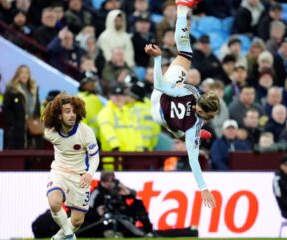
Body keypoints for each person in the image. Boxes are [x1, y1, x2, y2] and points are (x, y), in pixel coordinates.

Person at [144, 0, 220, 208]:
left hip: (163, 103)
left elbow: (160, 85)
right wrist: (204, 188)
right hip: (161, 108)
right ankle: (182, 6)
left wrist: (158, 60)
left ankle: (182, 9)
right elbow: (193, 160)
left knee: (185, 53)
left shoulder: (191, 92)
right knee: (185, 54)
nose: (204, 116)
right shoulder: (194, 123)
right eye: (206, 114)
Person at [43, 93, 100, 240]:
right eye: (67, 111)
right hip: (59, 171)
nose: (72, 115)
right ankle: (69, 235)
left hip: (80, 176)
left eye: (74, 111)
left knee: (77, 220)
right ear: (59, 115)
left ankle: (57, 238)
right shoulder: (51, 132)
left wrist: (89, 174)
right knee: (54, 203)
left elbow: (94, 157)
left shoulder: (85, 131)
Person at [87, 171, 154, 238]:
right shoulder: (97, 192)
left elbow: (133, 194)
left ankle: (149, 231)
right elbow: (87, 210)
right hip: (107, 218)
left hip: (122, 213)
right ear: (104, 181)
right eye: (110, 180)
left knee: (138, 203)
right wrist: (97, 213)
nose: (112, 183)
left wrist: (123, 188)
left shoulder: (118, 188)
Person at [2, 65, 41, 149]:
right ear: (17, 74)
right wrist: (13, 124)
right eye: (22, 72)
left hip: (32, 128)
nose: (24, 75)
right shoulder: (12, 90)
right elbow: (6, 108)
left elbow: (37, 108)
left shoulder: (33, 90)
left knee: (32, 155)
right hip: (17, 129)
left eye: (27, 73)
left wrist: (37, 120)